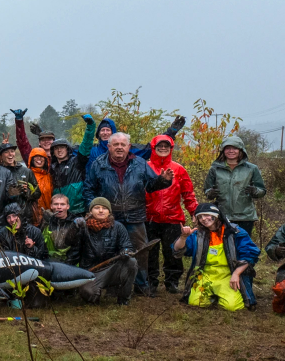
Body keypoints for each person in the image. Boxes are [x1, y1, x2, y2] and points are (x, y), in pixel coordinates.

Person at [82, 132, 173, 292]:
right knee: (110, 252)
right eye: (115, 144)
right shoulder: (98, 164)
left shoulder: (140, 164)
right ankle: (112, 286)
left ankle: (141, 285)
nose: (119, 147)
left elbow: (151, 185)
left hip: (135, 216)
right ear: (109, 147)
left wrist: (163, 180)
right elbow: (89, 189)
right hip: (109, 218)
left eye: (123, 144)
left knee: (139, 251)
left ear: (129, 147)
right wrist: (94, 209)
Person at [173, 204, 259, 312]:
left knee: (232, 306)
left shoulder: (235, 232)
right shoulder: (198, 234)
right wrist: (183, 237)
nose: (203, 219)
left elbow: (249, 254)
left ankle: (221, 295)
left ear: (216, 215)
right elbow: (177, 251)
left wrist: (236, 274)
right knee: (196, 302)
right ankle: (213, 295)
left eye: (206, 215)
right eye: (200, 217)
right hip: (204, 275)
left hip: (228, 275)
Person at [145, 135, 198, 294]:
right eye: (159, 146)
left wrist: (194, 211)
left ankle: (172, 281)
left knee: (172, 252)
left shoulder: (179, 169)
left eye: (166, 146)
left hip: (172, 217)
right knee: (150, 252)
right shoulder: (144, 166)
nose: (163, 149)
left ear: (171, 148)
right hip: (149, 217)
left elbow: (188, 193)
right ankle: (151, 281)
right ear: (153, 148)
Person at [71, 197, 136, 305]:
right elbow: (70, 242)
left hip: (112, 269)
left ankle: (123, 300)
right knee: (88, 293)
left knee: (131, 262)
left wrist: (126, 251)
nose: (101, 211)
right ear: (90, 211)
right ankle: (94, 294)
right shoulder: (83, 227)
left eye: (104, 208)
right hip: (91, 271)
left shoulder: (118, 227)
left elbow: (127, 246)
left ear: (109, 211)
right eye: (97, 208)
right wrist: (74, 228)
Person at [203, 136, 266, 235]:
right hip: (222, 216)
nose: (231, 151)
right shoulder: (215, 169)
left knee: (242, 246)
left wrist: (255, 191)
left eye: (235, 148)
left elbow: (262, 190)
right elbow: (207, 190)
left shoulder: (251, 169)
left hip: (245, 217)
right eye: (228, 148)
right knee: (224, 246)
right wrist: (210, 193)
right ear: (223, 150)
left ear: (241, 150)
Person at [87, 115, 185, 168]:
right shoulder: (91, 150)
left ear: (113, 133)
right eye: (102, 130)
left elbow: (151, 148)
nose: (105, 133)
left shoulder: (128, 150)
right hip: (97, 201)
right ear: (98, 134)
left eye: (108, 130)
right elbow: (72, 152)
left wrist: (170, 133)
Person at [48, 115, 96, 215]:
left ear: (68, 149)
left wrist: (90, 126)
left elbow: (86, 145)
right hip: (59, 211)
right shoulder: (52, 167)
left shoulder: (77, 162)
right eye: (56, 148)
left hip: (77, 210)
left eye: (62, 147)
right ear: (53, 152)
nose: (59, 150)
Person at [0, 141, 40, 227]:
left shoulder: (26, 171)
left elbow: (38, 193)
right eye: (6, 152)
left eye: (12, 151)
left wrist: (27, 192)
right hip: (4, 216)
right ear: (0, 156)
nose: (10, 154)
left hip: (24, 215)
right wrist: (9, 193)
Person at [43, 195, 79, 264]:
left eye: (62, 204)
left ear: (68, 206)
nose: (59, 207)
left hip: (71, 263)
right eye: (56, 204)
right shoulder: (47, 222)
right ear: (51, 206)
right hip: (50, 261)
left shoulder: (75, 222)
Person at [26, 148, 53, 225]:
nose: (39, 159)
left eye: (41, 156)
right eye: (36, 156)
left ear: (45, 160)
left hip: (49, 216)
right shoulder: (27, 175)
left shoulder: (49, 177)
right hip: (32, 217)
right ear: (31, 159)